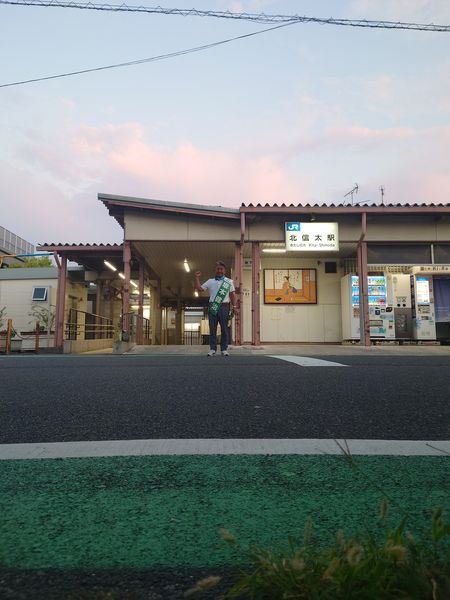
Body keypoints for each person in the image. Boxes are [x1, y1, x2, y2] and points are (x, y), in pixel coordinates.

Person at [195, 261, 237, 356]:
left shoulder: (229, 282)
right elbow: (200, 289)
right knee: (212, 329)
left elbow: (232, 295)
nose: (219, 271)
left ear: (224, 271)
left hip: (224, 307)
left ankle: (224, 349)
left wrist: (234, 307)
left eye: (221, 269)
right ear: (215, 270)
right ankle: (212, 349)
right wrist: (197, 278)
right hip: (213, 306)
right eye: (218, 269)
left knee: (224, 329)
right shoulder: (210, 281)